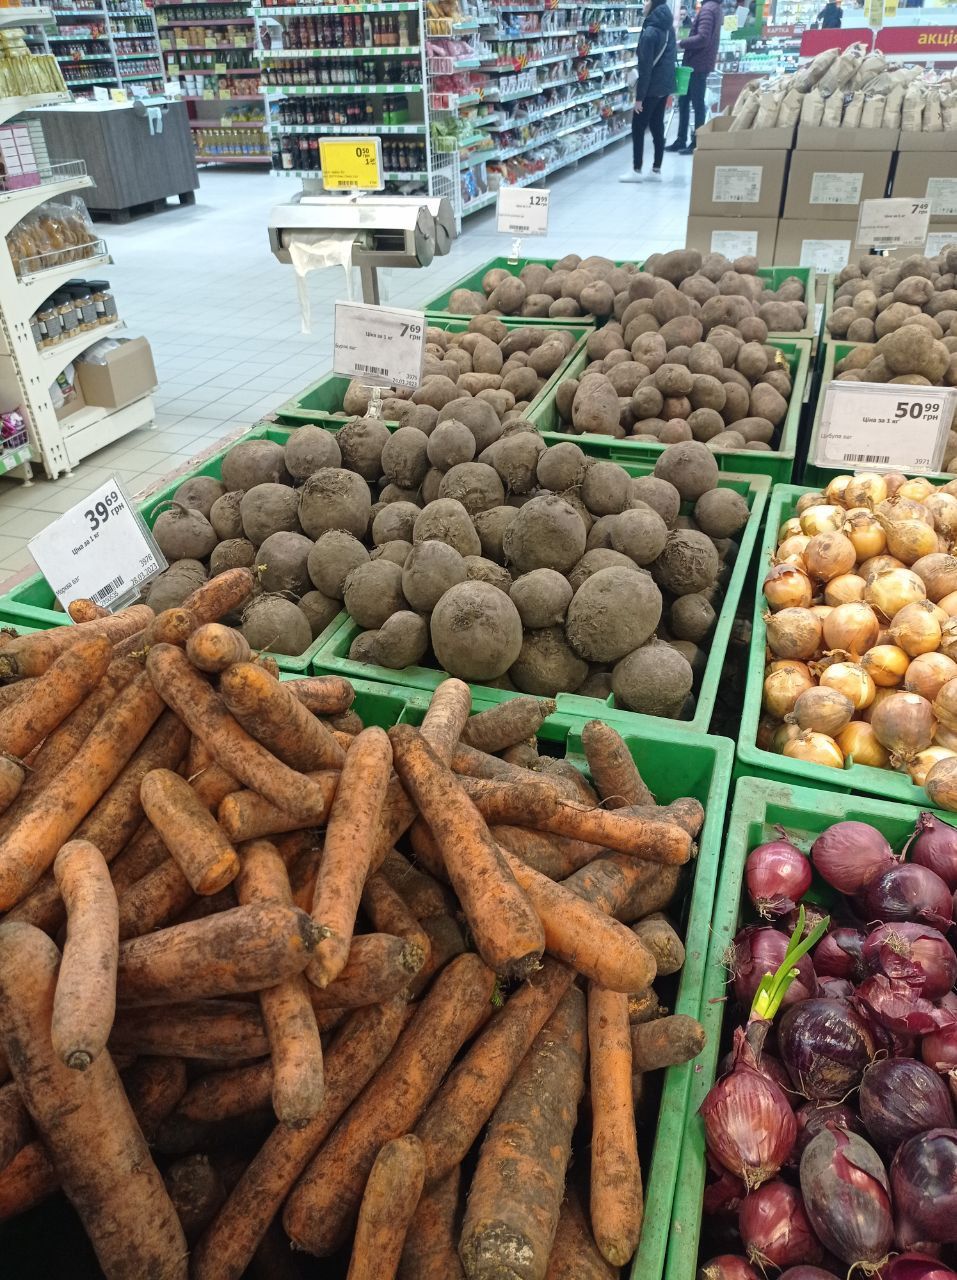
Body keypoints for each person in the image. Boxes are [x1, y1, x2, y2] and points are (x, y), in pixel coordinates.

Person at [619, 0, 677, 183]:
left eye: (646, 2)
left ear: (653, 5)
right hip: (664, 86)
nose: (644, 5)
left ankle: (636, 170)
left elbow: (645, 69)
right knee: (658, 126)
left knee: (638, 126)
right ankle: (656, 169)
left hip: (651, 88)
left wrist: (639, 99)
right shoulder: (668, 28)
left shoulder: (650, 32)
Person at [665, 0, 723, 156]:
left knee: (697, 104)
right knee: (684, 102)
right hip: (698, 64)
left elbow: (703, 38)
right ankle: (681, 140)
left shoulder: (708, 9)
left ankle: (696, 142)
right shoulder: (714, 8)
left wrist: (680, 43)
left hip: (697, 65)